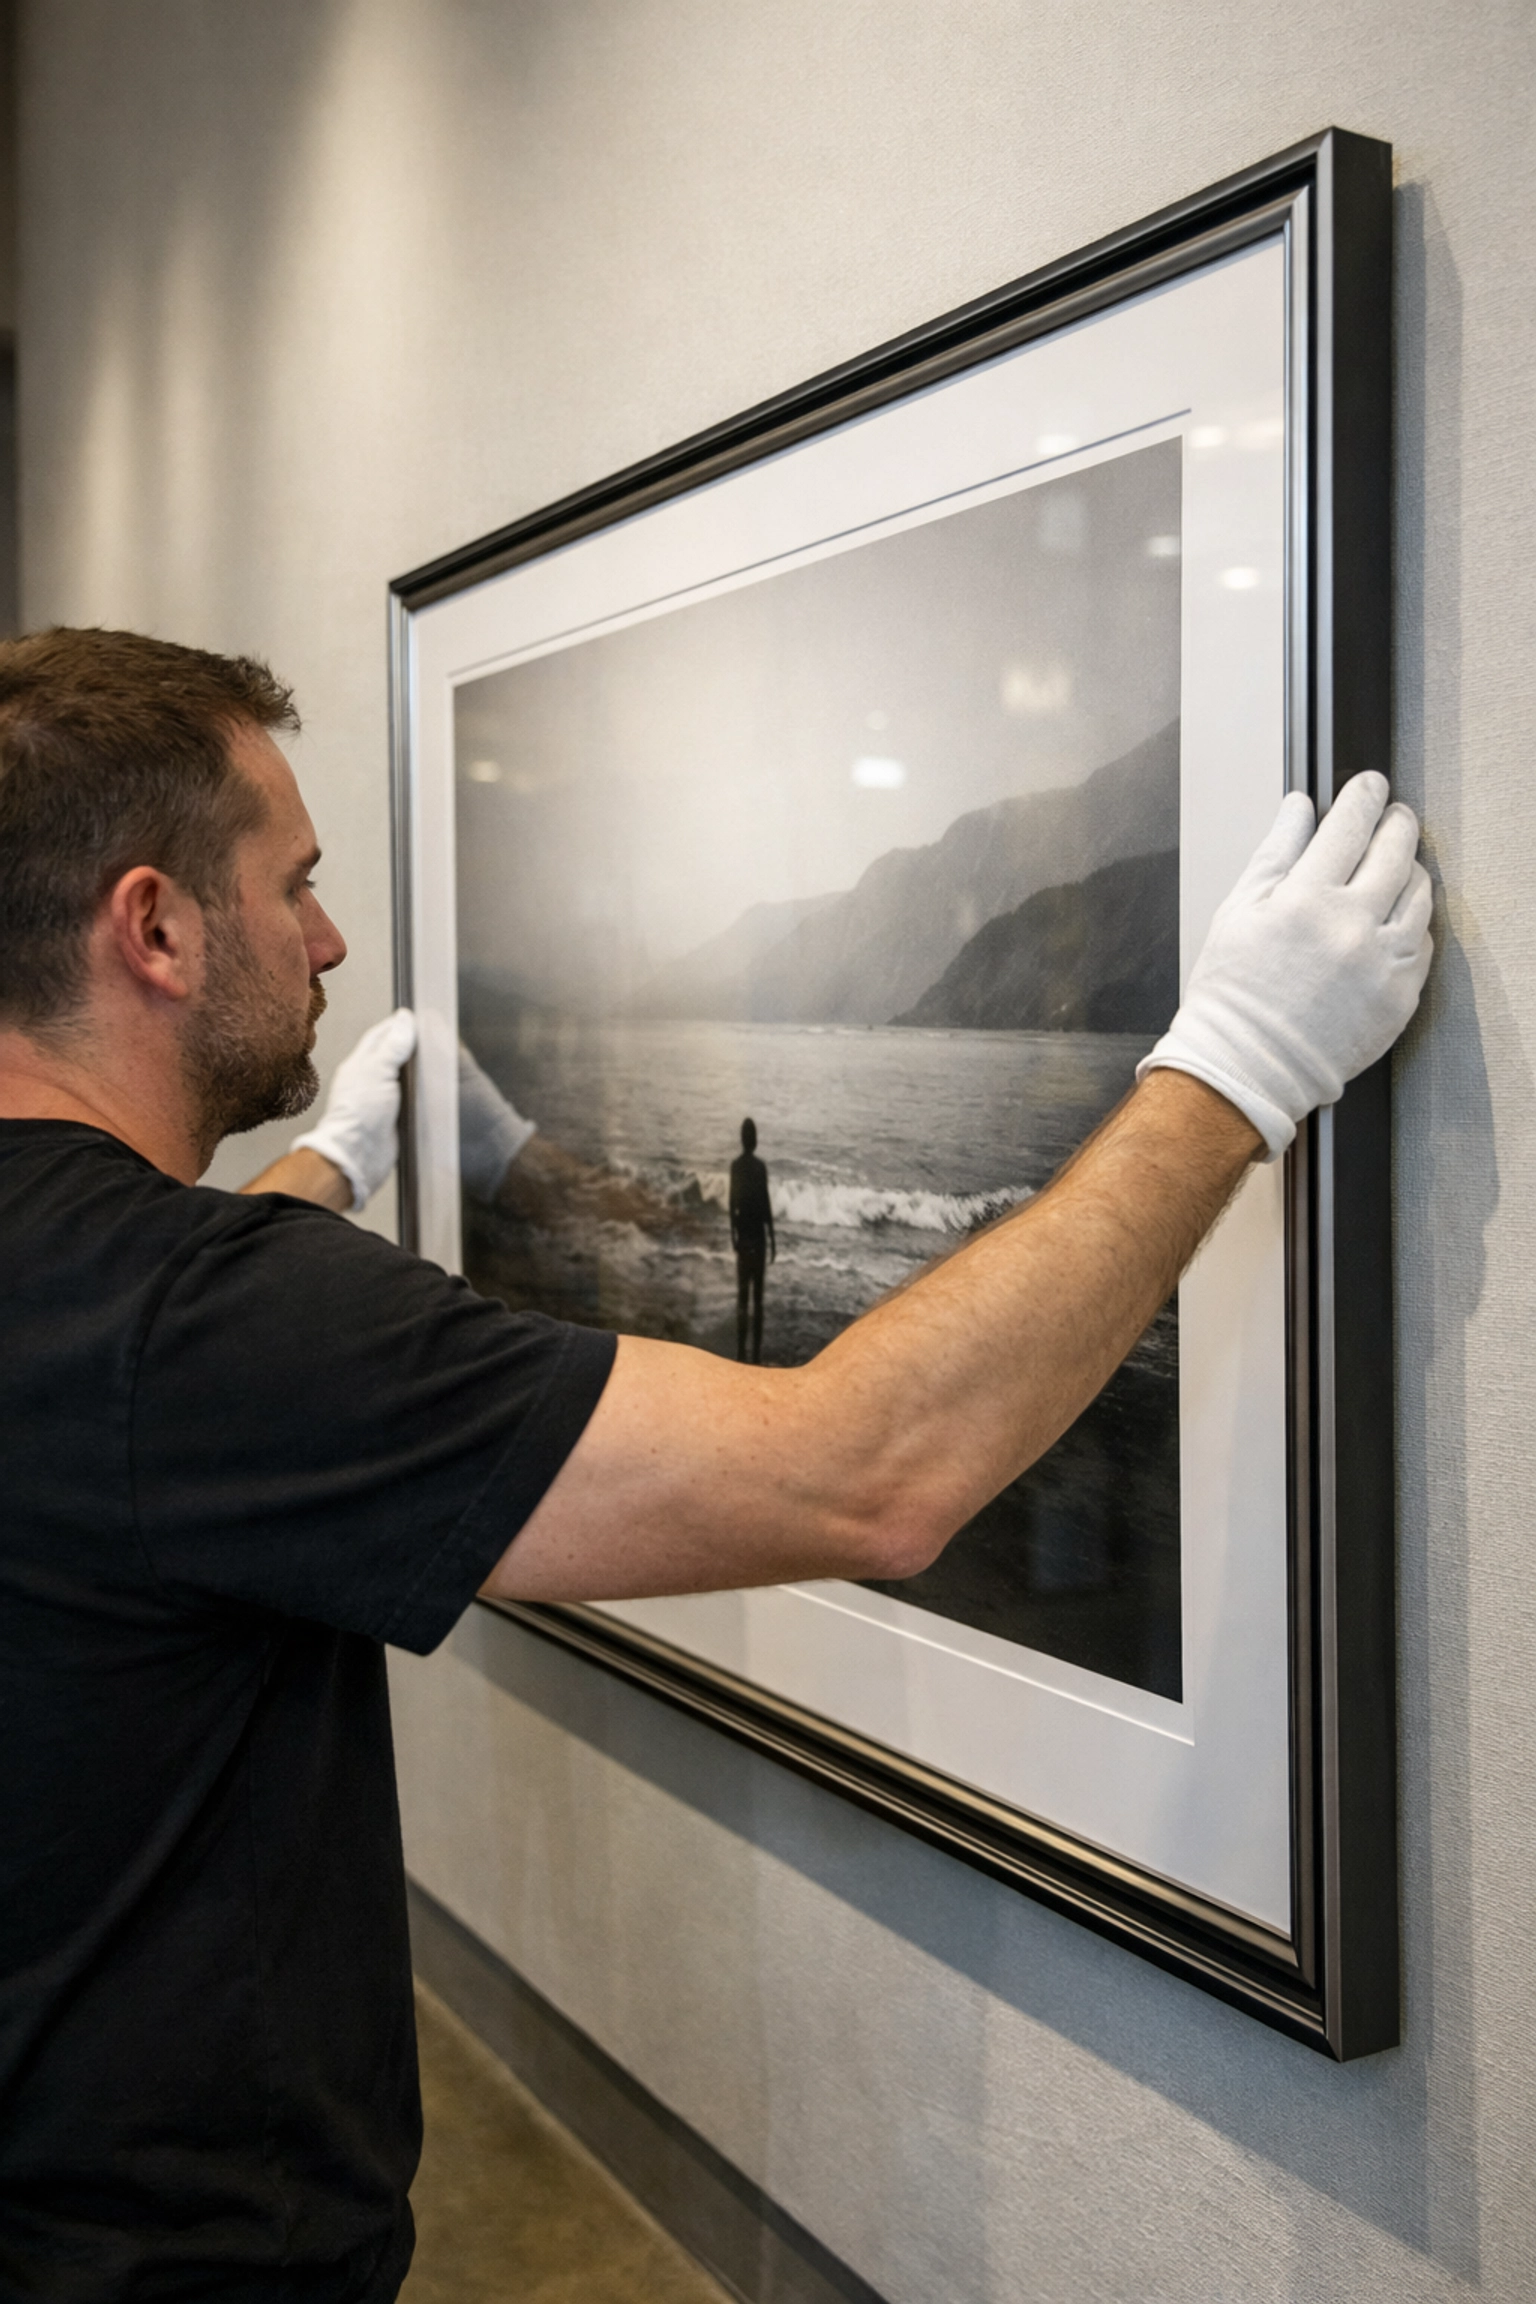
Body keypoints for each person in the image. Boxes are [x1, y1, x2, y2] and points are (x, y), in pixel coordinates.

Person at [0, 627, 1431, 2303]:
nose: (327, 936)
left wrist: (325, 1170)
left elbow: (122, 1369)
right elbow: (866, 1469)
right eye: (293, 881)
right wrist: (1236, 1066)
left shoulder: (125, 1314)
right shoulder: (207, 1328)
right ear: (155, 925)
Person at [729, 1116, 776, 1361]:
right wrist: (773, 1239)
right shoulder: (760, 1167)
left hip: (744, 1239)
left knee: (742, 1298)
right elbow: (767, 1205)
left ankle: (740, 1351)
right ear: (754, 1140)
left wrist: (733, 1237)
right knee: (758, 1299)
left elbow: (731, 1204)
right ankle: (755, 1355)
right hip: (758, 1239)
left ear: (742, 1139)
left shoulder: (735, 1166)